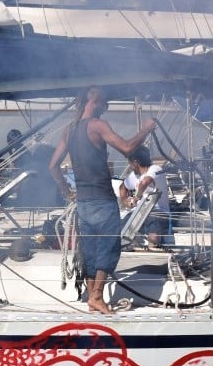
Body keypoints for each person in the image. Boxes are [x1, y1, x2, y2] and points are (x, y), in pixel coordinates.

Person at [50, 87, 156, 314]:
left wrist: (66, 191)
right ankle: (97, 296)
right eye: (104, 102)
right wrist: (146, 129)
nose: (105, 106)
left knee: (90, 250)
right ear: (95, 100)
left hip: (83, 203)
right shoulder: (97, 125)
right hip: (102, 200)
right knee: (108, 247)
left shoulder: (69, 130)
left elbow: (52, 166)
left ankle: (92, 298)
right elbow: (127, 147)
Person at [119, 145, 173, 248]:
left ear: (135, 163)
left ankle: (154, 250)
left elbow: (145, 182)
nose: (130, 166)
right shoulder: (134, 175)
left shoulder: (155, 169)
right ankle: (133, 249)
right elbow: (122, 187)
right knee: (122, 224)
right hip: (139, 212)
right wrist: (125, 200)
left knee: (154, 222)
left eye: (130, 163)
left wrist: (136, 198)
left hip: (158, 211)